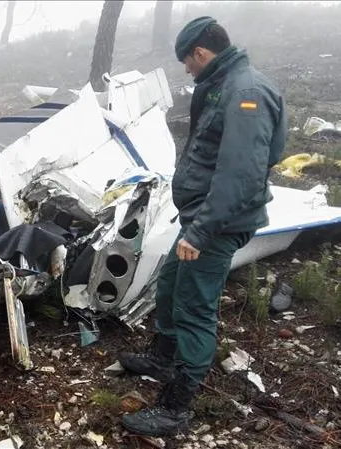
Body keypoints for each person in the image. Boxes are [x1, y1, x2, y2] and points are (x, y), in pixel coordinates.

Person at [118, 17, 287, 437]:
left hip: (216, 224)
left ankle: (176, 408)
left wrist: (201, 230)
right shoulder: (225, 84)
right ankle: (163, 357)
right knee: (172, 284)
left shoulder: (245, 92)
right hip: (203, 216)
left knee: (195, 308)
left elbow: (243, 174)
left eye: (186, 61)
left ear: (200, 53)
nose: (185, 70)